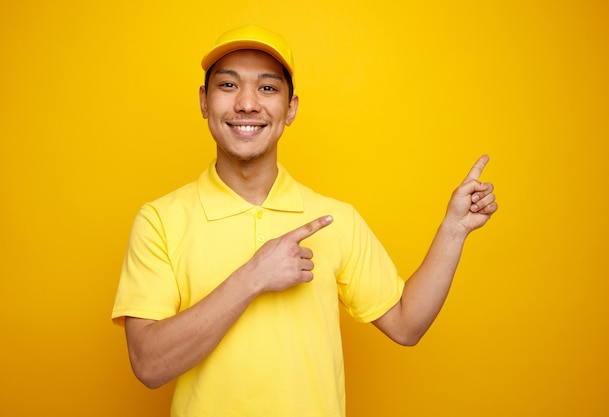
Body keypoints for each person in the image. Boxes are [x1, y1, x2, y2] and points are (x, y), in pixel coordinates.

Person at [112, 24, 498, 417]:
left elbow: (406, 323)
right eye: (228, 86)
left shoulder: (335, 219)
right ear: (204, 102)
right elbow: (149, 365)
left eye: (267, 88)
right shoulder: (159, 220)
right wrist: (255, 275)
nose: (247, 103)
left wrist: (454, 230)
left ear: (291, 108)